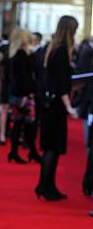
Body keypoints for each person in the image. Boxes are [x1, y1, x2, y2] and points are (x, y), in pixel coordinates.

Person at [35, 16, 79, 201]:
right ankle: (45, 186)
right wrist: (70, 107)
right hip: (56, 107)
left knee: (50, 147)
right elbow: (61, 84)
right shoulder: (61, 52)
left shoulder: (52, 49)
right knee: (53, 147)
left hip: (49, 105)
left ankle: (47, 185)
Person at [7, 28, 42, 164]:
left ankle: (18, 152)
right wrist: (30, 93)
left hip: (18, 94)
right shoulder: (22, 55)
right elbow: (25, 77)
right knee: (26, 124)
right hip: (24, 95)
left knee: (20, 125)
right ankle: (27, 152)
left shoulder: (15, 54)